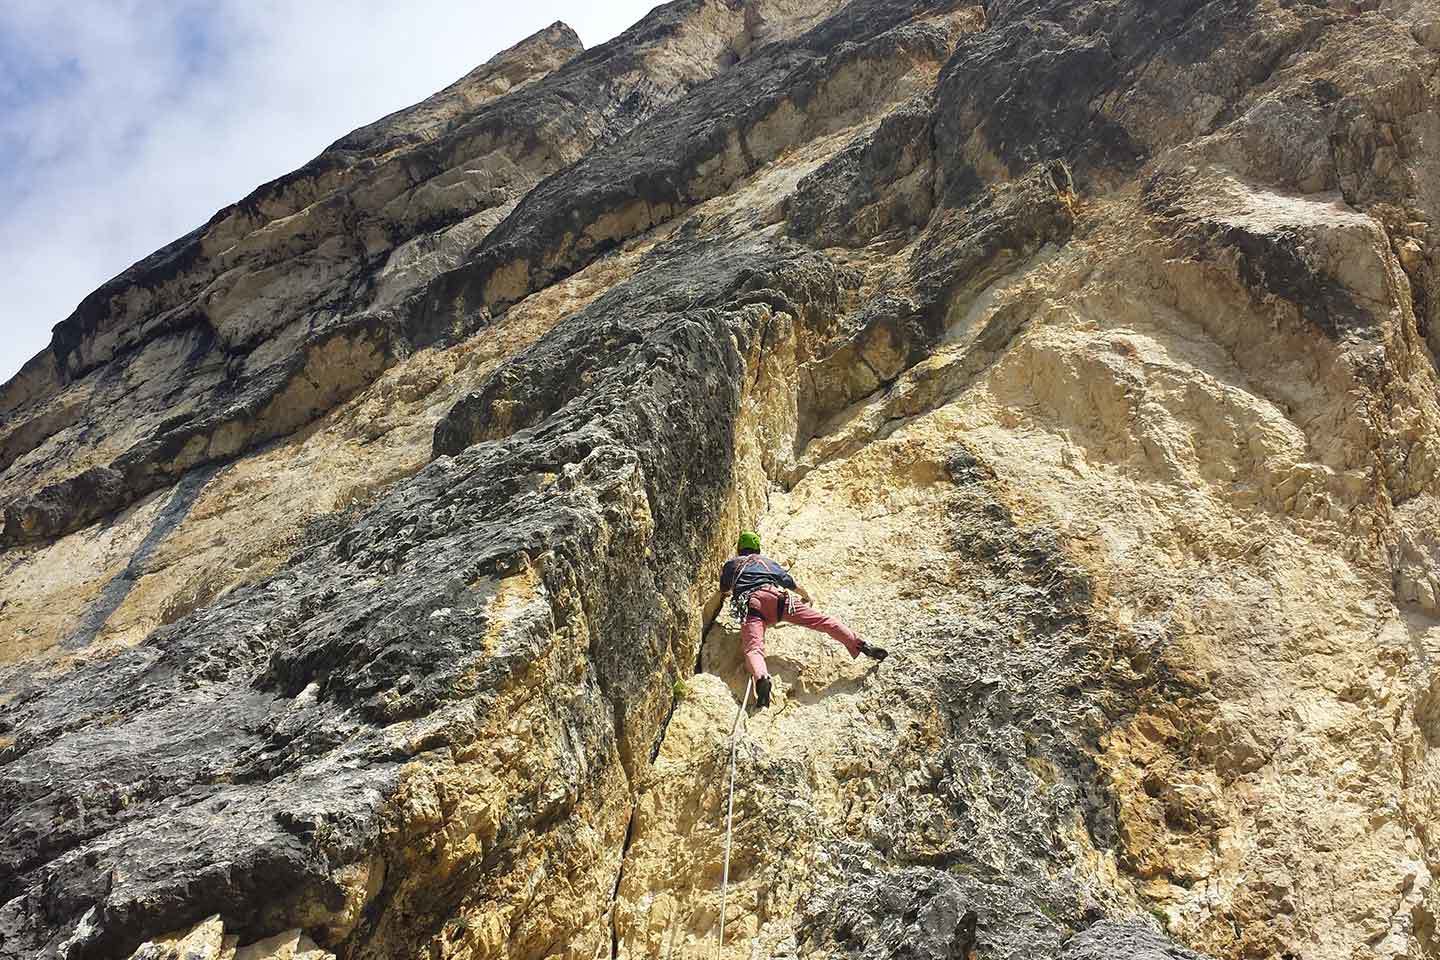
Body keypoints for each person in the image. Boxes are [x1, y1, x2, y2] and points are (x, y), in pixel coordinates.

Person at [703, 531, 887, 709]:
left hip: (753, 606)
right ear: (757, 549)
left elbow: (725, 589)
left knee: (753, 649)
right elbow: (788, 581)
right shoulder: (766, 562)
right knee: (823, 622)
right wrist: (806, 596)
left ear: (738, 548)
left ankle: (762, 678)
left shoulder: (731, 565)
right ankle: (861, 644)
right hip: (779, 600)